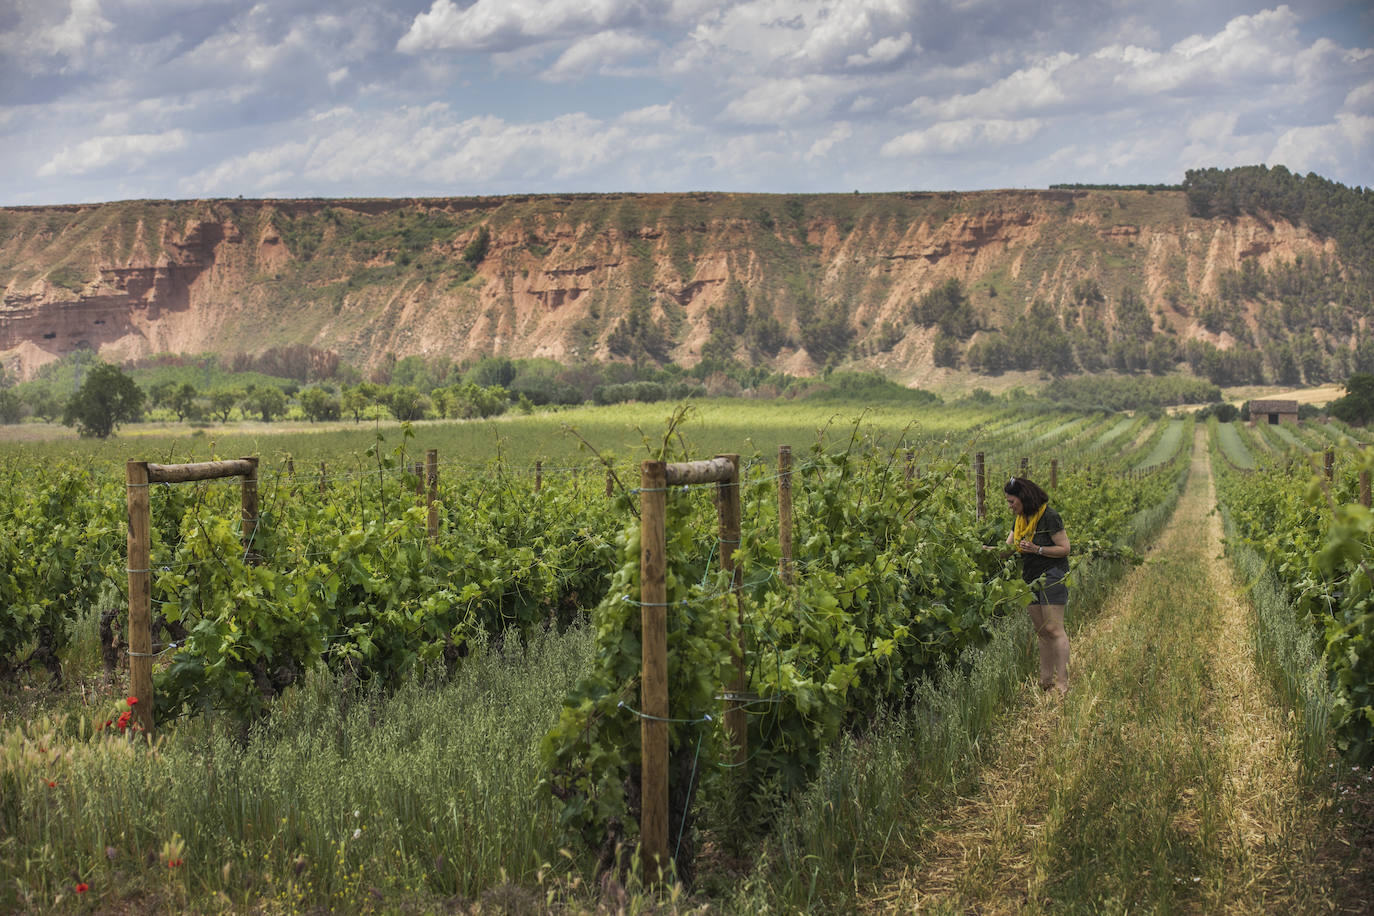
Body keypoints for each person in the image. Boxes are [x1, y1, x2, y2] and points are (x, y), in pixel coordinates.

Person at [1004, 476, 1071, 695]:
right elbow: (1008, 548)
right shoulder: (1020, 520)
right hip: (1030, 576)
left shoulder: (1049, 516)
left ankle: (1062, 684)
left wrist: (1038, 549)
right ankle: (1046, 682)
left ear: (1024, 498)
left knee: (1054, 628)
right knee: (1041, 630)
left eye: (1012, 501)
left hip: (1053, 573)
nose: (1010, 506)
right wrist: (983, 550)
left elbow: (1064, 548)